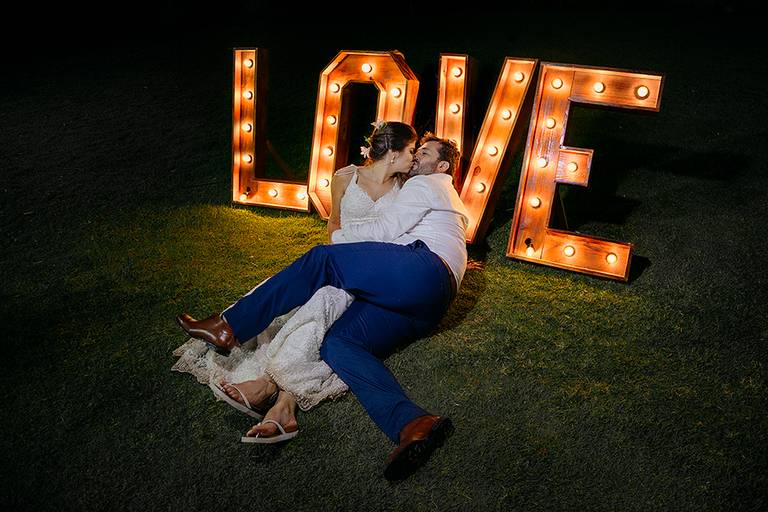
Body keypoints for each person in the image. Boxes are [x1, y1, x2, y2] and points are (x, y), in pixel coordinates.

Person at [177, 127, 469, 480]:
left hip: (425, 270)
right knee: (338, 344)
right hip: (426, 306)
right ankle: (412, 423)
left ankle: (228, 327)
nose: (417, 155)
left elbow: (385, 231)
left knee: (322, 259)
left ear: (442, 167)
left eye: (425, 153)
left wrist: (337, 243)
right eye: (416, 150)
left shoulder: (428, 184)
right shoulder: (425, 190)